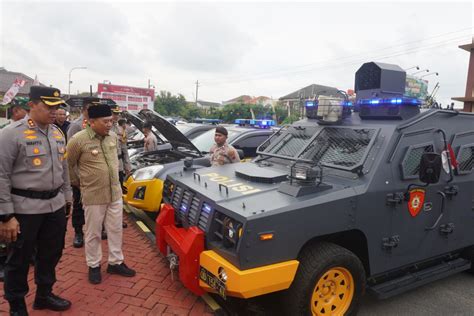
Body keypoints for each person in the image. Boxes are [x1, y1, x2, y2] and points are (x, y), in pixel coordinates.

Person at [0, 86, 73, 315]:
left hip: (54, 206)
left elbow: (64, 169)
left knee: (52, 253)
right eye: (48, 106)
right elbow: (1, 175)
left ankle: (43, 295)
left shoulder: (57, 133)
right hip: (24, 209)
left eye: (57, 107)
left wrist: (68, 198)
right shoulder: (11, 134)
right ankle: (17, 305)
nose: (54, 111)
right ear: (31, 105)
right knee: (19, 260)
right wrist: (6, 215)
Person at [67, 103, 136, 285]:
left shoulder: (112, 136)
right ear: (91, 122)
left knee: (115, 229)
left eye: (111, 121)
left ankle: (115, 262)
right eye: (105, 121)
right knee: (93, 232)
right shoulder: (78, 140)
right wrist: (78, 182)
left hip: (114, 192)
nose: (109, 125)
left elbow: (116, 160)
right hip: (93, 194)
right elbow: (68, 165)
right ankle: (94, 265)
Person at [67, 97, 98, 248]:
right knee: (79, 205)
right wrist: (74, 179)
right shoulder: (76, 126)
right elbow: (69, 156)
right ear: (84, 110)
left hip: (94, 175)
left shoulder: (97, 125)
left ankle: (95, 231)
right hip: (80, 175)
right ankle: (79, 233)